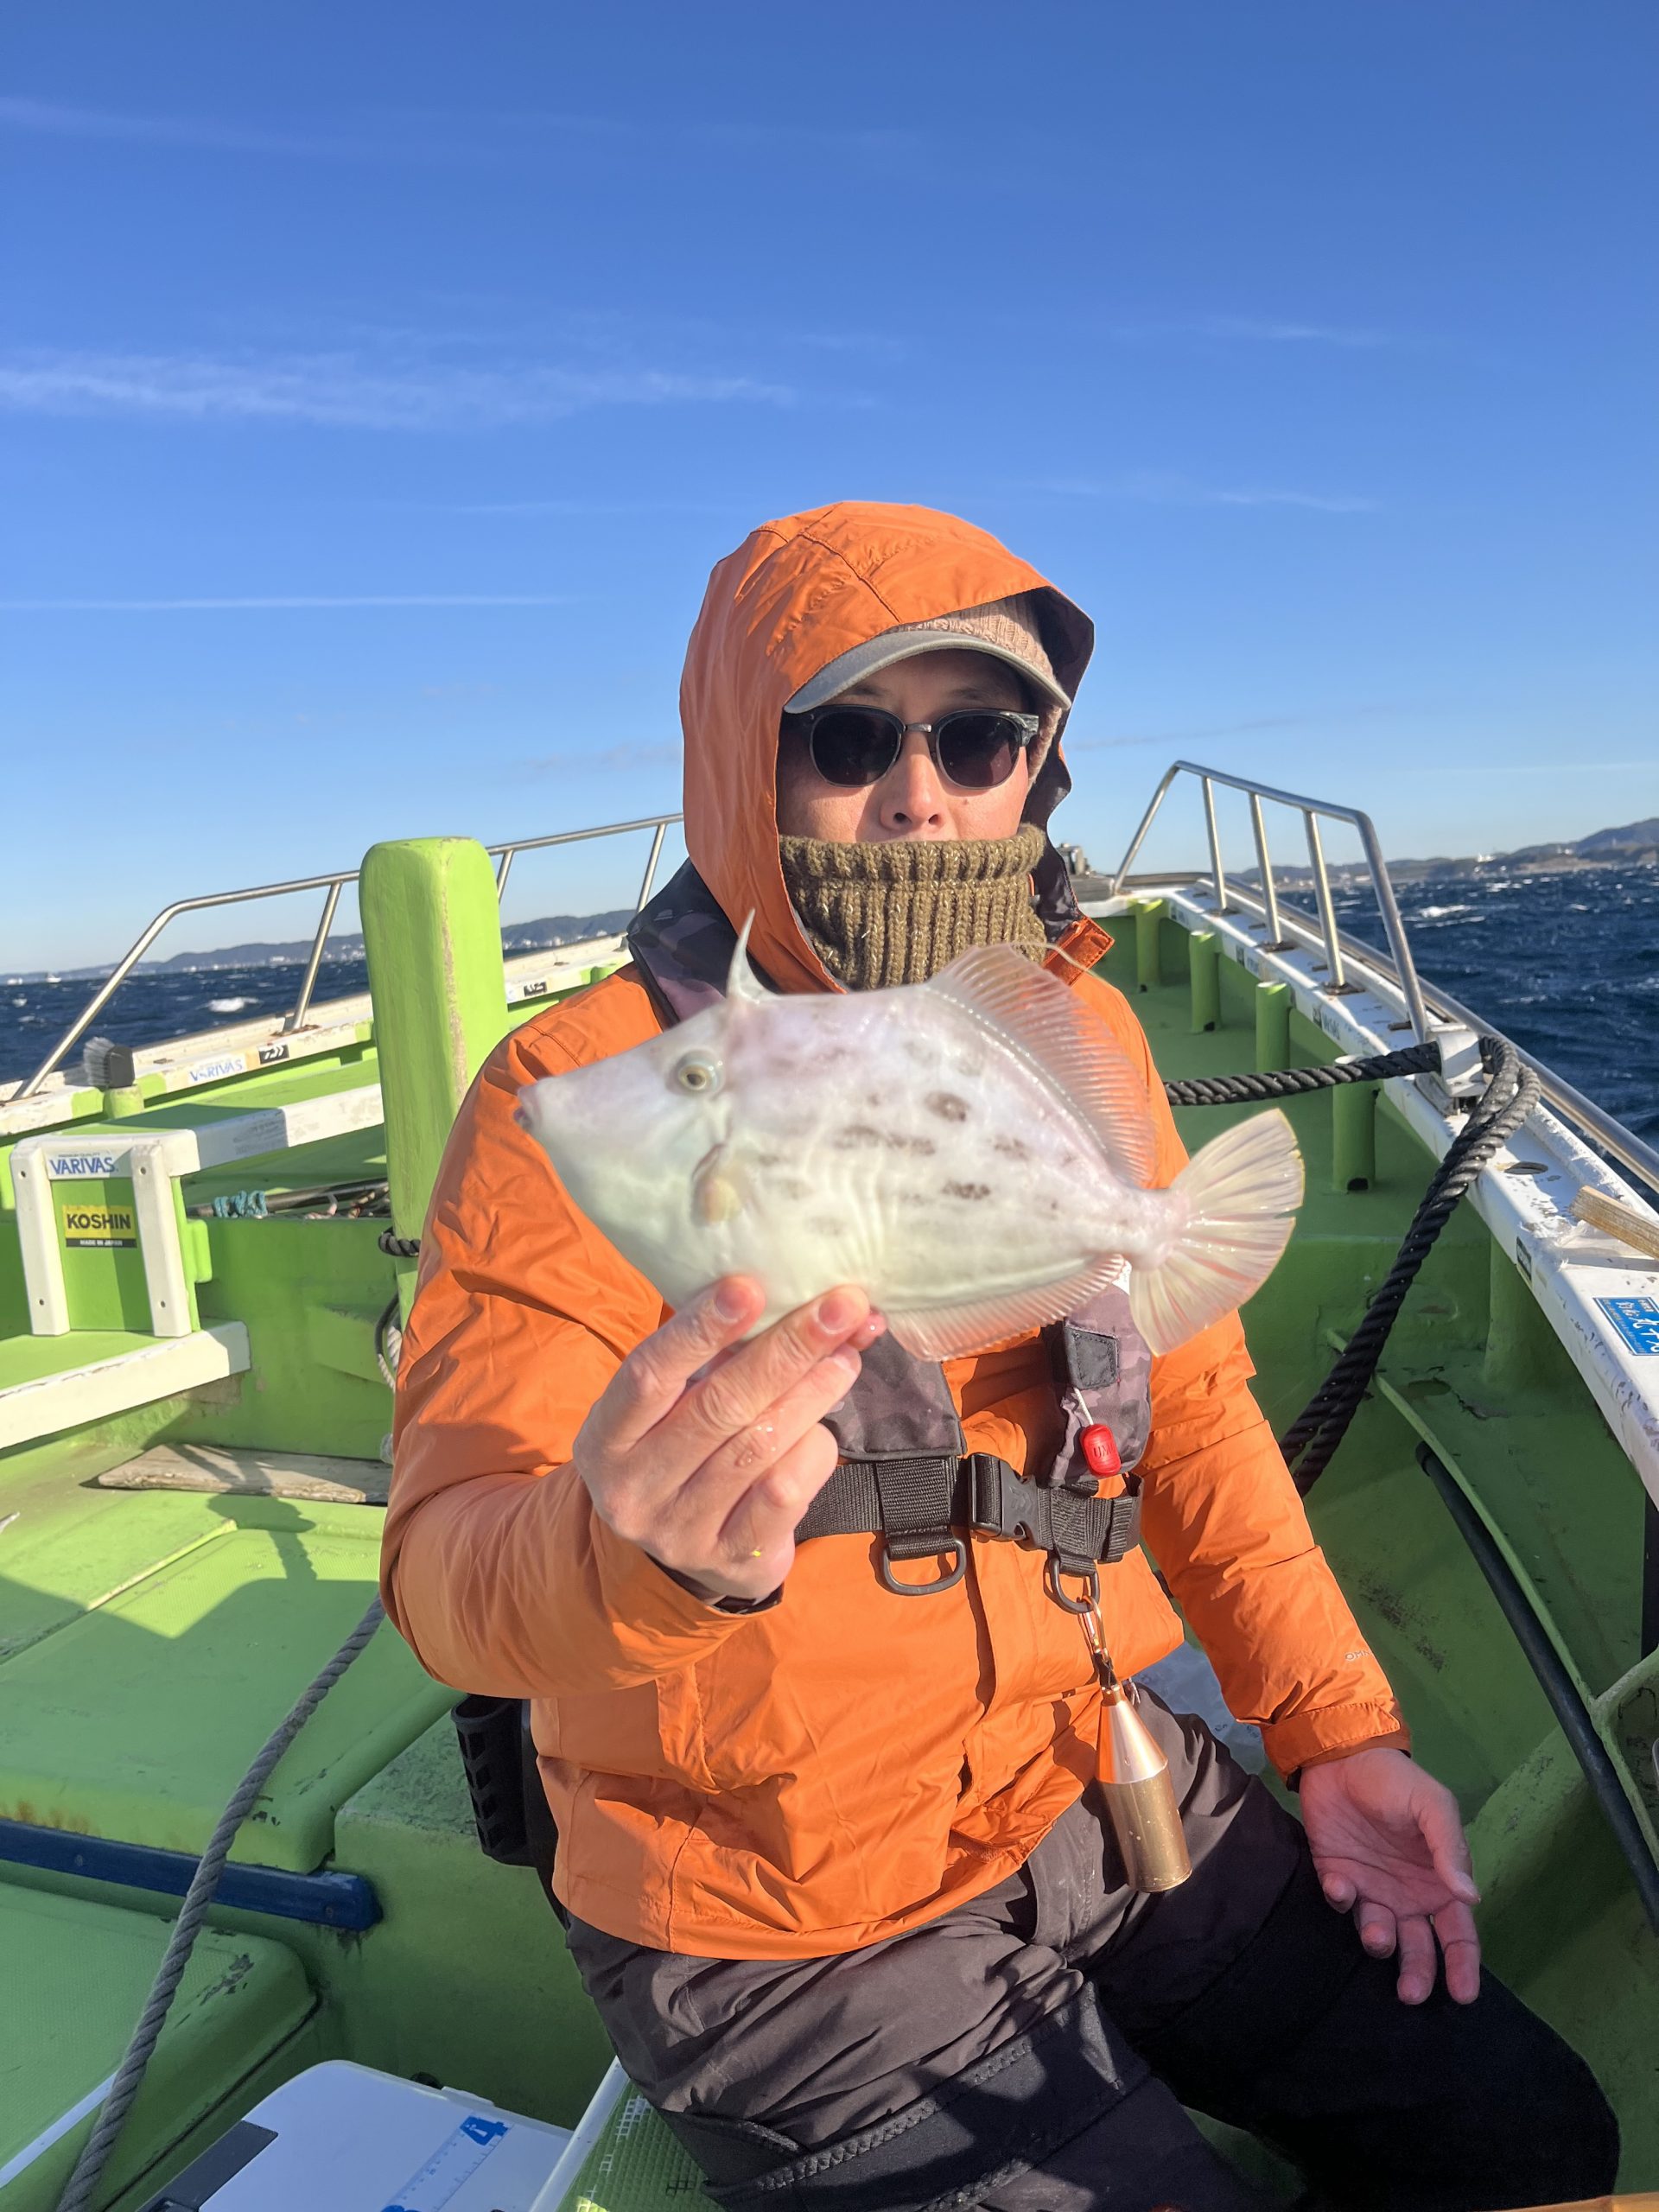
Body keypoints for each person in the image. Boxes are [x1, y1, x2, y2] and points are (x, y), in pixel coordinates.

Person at [382, 503, 1618, 2211]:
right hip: (780, 1912)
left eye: (979, 738)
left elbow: (1194, 1411)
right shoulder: (587, 1091)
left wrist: (1336, 1729)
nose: (921, 794)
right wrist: (629, 1553)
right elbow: (446, 1568)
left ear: (1035, 767)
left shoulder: (1074, 1020)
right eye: (849, 737)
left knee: (1531, 2137)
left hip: (1084, 1777)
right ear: (746, 755)